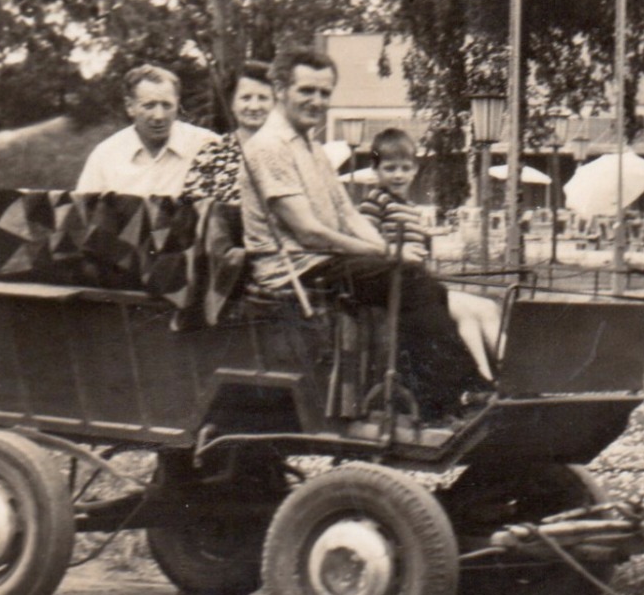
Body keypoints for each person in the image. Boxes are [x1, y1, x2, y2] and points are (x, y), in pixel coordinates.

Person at [238, 48, 490, 421]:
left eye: (325, 93)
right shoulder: (268, 147)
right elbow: (309, 233)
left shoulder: (312, 147)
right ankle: (453, 392)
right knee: (404, 277)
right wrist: (388, 256)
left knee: (423, 282)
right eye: (307, 90)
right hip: (293, 269)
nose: (317, 102)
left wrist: (387, 248)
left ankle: (436, 393)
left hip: (323, 261)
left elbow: (347, 215)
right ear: (280, 89)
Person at [359, 126, 502, 381]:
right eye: (389, 168)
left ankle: (512, 371)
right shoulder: (375, 202)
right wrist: (394, 253)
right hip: (395, 286)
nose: (398, 175)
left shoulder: (411, 208)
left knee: (489, 307)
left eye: (405, 168)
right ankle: (485, 379)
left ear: (415, 169)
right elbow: (366, 246)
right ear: (376, 170)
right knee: (467, 314)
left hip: (418, 283)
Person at [76, 65, 218, 196]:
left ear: (177, 103)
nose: (159, 116)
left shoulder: (207, 145)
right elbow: (83, 216)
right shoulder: (105, 156)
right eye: (149, 106)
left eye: (167, 105)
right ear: (130, 106)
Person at [182, 61, 274, 203]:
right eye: (246, 98)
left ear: (276, 103)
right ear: (232, 103)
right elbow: (192, 207)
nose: (254, 106)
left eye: (263, 98)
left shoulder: (287, 151)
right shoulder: (213, 153)